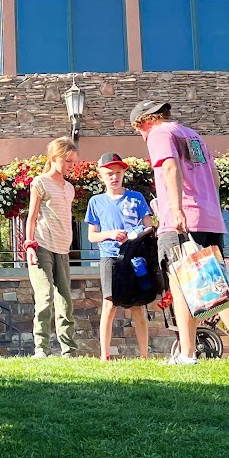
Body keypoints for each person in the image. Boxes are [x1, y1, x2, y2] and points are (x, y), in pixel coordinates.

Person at [131, 100, 229, 364]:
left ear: (146, 121)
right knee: (212, 282)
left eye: (138, 130)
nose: (141, 136)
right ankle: (203, 352)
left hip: (183, 219)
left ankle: (208, 352)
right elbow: (215, 178)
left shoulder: (159, 133)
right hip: (210, 218)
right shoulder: (193, 136)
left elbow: (170, 167)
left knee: (185, 285)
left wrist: (175, 209)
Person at [84, 152, 154, 360]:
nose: (114, 177)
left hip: (135, 258)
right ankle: (104, 355)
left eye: (118, 173)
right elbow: (92, 236)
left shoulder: (136, 198)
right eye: (109, 173)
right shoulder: (96, 201)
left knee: (138, 307)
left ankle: (144, 356)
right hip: (110, 258)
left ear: (123, 174)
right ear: (101, 176)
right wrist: (110, 234)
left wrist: (134, 235)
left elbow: (149, 227)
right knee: (109, 304)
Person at [22, 137, 79, 358]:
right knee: (45, 297)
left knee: (65, 301)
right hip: (42, 246)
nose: (71, 165)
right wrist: (30, 246)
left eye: (73, 161)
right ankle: (41, 349)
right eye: (67, 161)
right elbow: (32, 217)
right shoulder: (40, 183)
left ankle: (69, 351)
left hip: (63, 249)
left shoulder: (70, 188)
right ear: (54, 158)